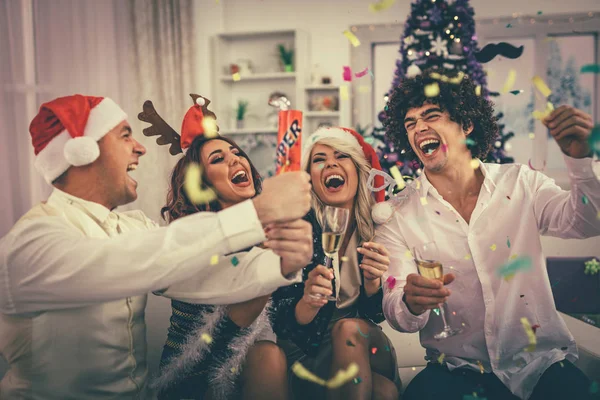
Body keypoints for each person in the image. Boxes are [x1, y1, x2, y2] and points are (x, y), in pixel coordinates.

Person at [0, 94, 313, 399]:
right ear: (83, 153)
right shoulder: (30, 244)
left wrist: (281, 264)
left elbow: (207, 276)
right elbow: (136, 258)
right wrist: (257, 211)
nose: (140, 148)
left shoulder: (132, 226)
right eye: (125, 136)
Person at [378, 69, 600, 400]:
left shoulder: (521, 183)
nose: (419, 128)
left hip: (541, 368)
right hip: (453, 373)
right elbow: (398, 313)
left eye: (431, 116)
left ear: (466, 124)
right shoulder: (397, 215)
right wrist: (410, 302)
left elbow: (587, 222)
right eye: (410, 124)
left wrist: (579, 161)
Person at [152, 98, 312, 400]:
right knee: (267, 355)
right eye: (218, 159)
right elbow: (226, 328)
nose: (236, 160)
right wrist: (274, 258)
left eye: (237, 153)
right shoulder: (197, 237)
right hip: (196, 371)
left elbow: (287, 316)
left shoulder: (270, 228)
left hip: (251, 363)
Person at [266, 127, 401, 400]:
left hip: (364, 342)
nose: (330, 163)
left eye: (342, 156)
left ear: (358, 170)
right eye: (319, 159)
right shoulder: (296, 228)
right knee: (384, 393)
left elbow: (376, 315)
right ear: (311, 178)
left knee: (348, 328)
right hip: (307, 351)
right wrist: (308, 301)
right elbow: (281, 321)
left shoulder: (375, 230)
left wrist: (374, 283)